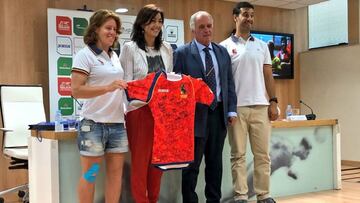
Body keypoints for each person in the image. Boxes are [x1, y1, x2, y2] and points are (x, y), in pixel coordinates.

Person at [173, 11, 237, 203]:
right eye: (202, 27)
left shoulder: (221, 52)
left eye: (209, 26)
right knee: (191, 167)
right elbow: (177, 88)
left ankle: (213, 200)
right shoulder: (182, 53)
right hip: (193, 117)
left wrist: (231, 109)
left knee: (215, 165)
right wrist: (191, 92)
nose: (206, 30)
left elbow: (228, 83)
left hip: (218, 115)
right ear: (193, 29)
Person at [220, 2, 279, 203]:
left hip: (261, 107)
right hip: (236, 109)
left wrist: (273, 102)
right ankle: (241, 196)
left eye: (252, 15)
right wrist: (227, 109)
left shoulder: (262, 46)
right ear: (235, 17)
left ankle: (264, 195)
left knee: (263, 156)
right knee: (238, 156)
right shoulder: (224, 47)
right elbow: (224, 81)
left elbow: (268, 76)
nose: (250, 19)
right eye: (245, 14)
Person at [71, 9, 128, 203]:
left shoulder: (114, 56)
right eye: (108, 28)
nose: (112, 32)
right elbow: (76, 90)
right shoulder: (84, 55)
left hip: (118, 125)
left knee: (115, 176)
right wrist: (107, 88)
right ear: (95, 29)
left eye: (115, 29)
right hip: (93, 126)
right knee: (91, 175)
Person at [119, 4, 173, 203]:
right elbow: (127, 83)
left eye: (160, 21)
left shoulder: (167, 48)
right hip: (139, 112)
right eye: (152, 20)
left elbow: (170, 81)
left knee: (158, 164)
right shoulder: (130, 48)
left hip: (162, 114)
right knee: (140, 164)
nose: (157, 25)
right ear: (142, 23)